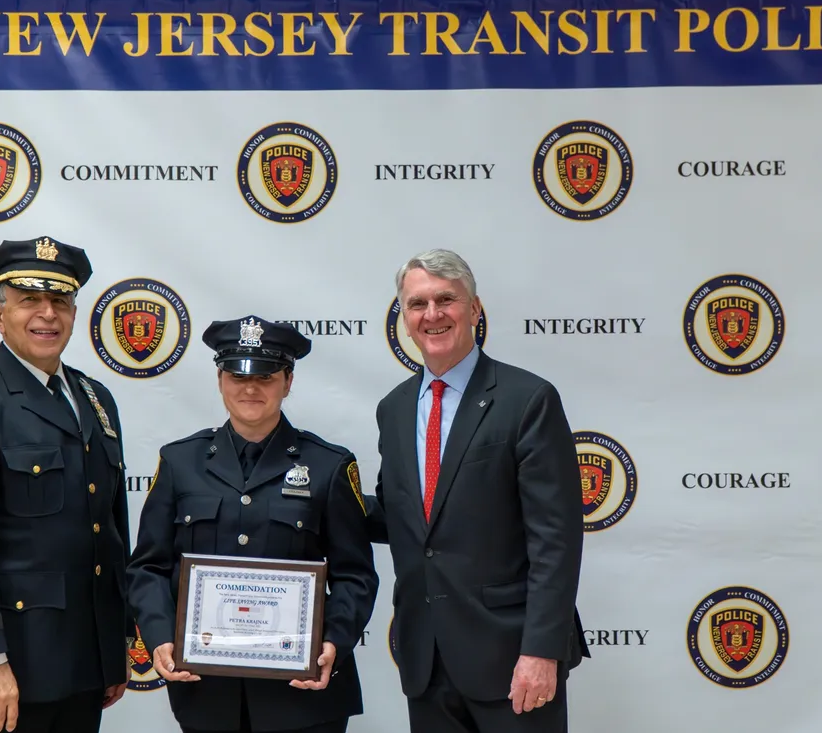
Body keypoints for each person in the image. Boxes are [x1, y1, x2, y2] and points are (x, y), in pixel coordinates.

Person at [365, 249, 589, 733]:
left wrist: (541, 651)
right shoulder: (393, 409)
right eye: (417, 303)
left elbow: (556, 540)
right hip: (426, 659)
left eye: (446, 299)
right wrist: (317, 497)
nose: (433, 314)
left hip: (512, 659)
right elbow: (404, 517)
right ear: (404, 319)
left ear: (474, 308)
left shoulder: (527, 400)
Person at [0, 236, 133, 733]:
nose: (47, 314)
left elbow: (110, 531)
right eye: (29, 300)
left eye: (60, 300)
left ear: (74, 312)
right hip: (9, 669)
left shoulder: (95, 399)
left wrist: (114, 643)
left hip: (83, 663)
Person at [126, 316, 378, 733]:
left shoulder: (329, 465)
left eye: (265, 376)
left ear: (288, 381)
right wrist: (159, 636)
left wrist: (332, 640)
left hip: (303, 699)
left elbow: (355, 575)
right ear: (220, 380)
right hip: (208, 694)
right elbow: (148, 567)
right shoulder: (180, 462)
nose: (250, 388)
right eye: (237, 376)